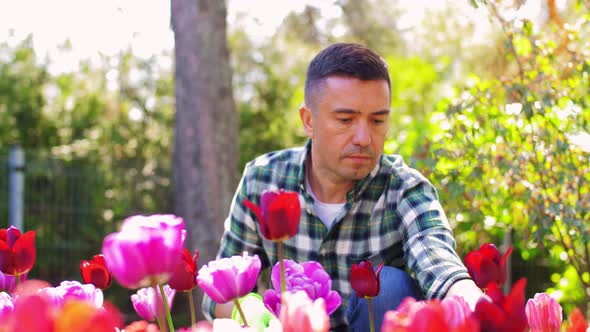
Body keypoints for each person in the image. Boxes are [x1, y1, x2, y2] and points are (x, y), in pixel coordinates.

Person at [202, 43, 483, 331]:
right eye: (346, 119)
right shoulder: (263, 181)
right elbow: (219, 290)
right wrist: (253, 313)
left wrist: (476, 305)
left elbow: (439, 263)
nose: (363, 137)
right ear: (309, 121)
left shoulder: (405, 189)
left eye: (377, 120)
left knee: (388, 286)